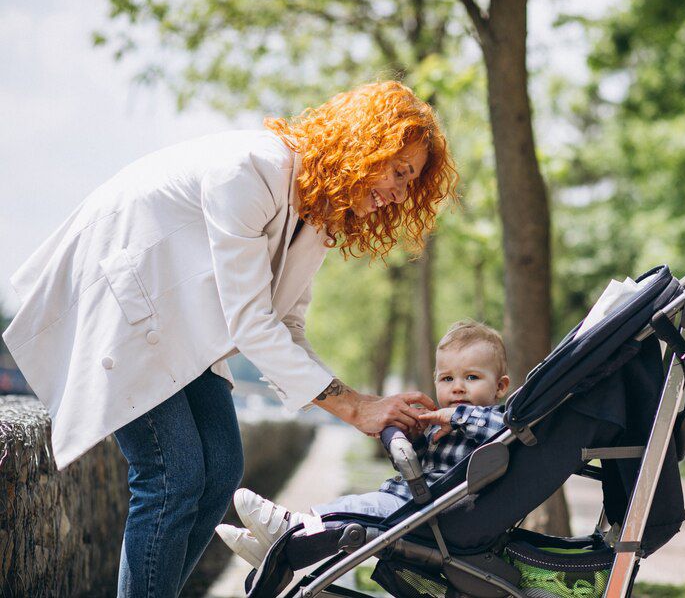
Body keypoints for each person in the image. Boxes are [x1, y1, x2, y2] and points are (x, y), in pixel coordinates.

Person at [1, 81, 457, 597]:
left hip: (180, 326)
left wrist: (363, 402)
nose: (400, 192)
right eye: (398, 171)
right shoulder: (251, 169)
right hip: (126, 308)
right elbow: (250, 321)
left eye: (409, 182)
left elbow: (286, 326)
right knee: (172, 476)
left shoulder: (320, 215)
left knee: (221, 469)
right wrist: (353, 409)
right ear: (362, 145)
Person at [215, 320, 511, 568]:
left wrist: (455, 415)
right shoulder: (441, 425)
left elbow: (496, 426)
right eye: (447, 379)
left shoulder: (497, 423)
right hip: (416, 498)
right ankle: (279, 551)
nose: (457, 387)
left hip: (436, 509)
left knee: (353, 511)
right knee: (349, 522)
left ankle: (290, 525)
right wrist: (414, 439)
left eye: (472, 377)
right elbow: (420, 466)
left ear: (500, 386)